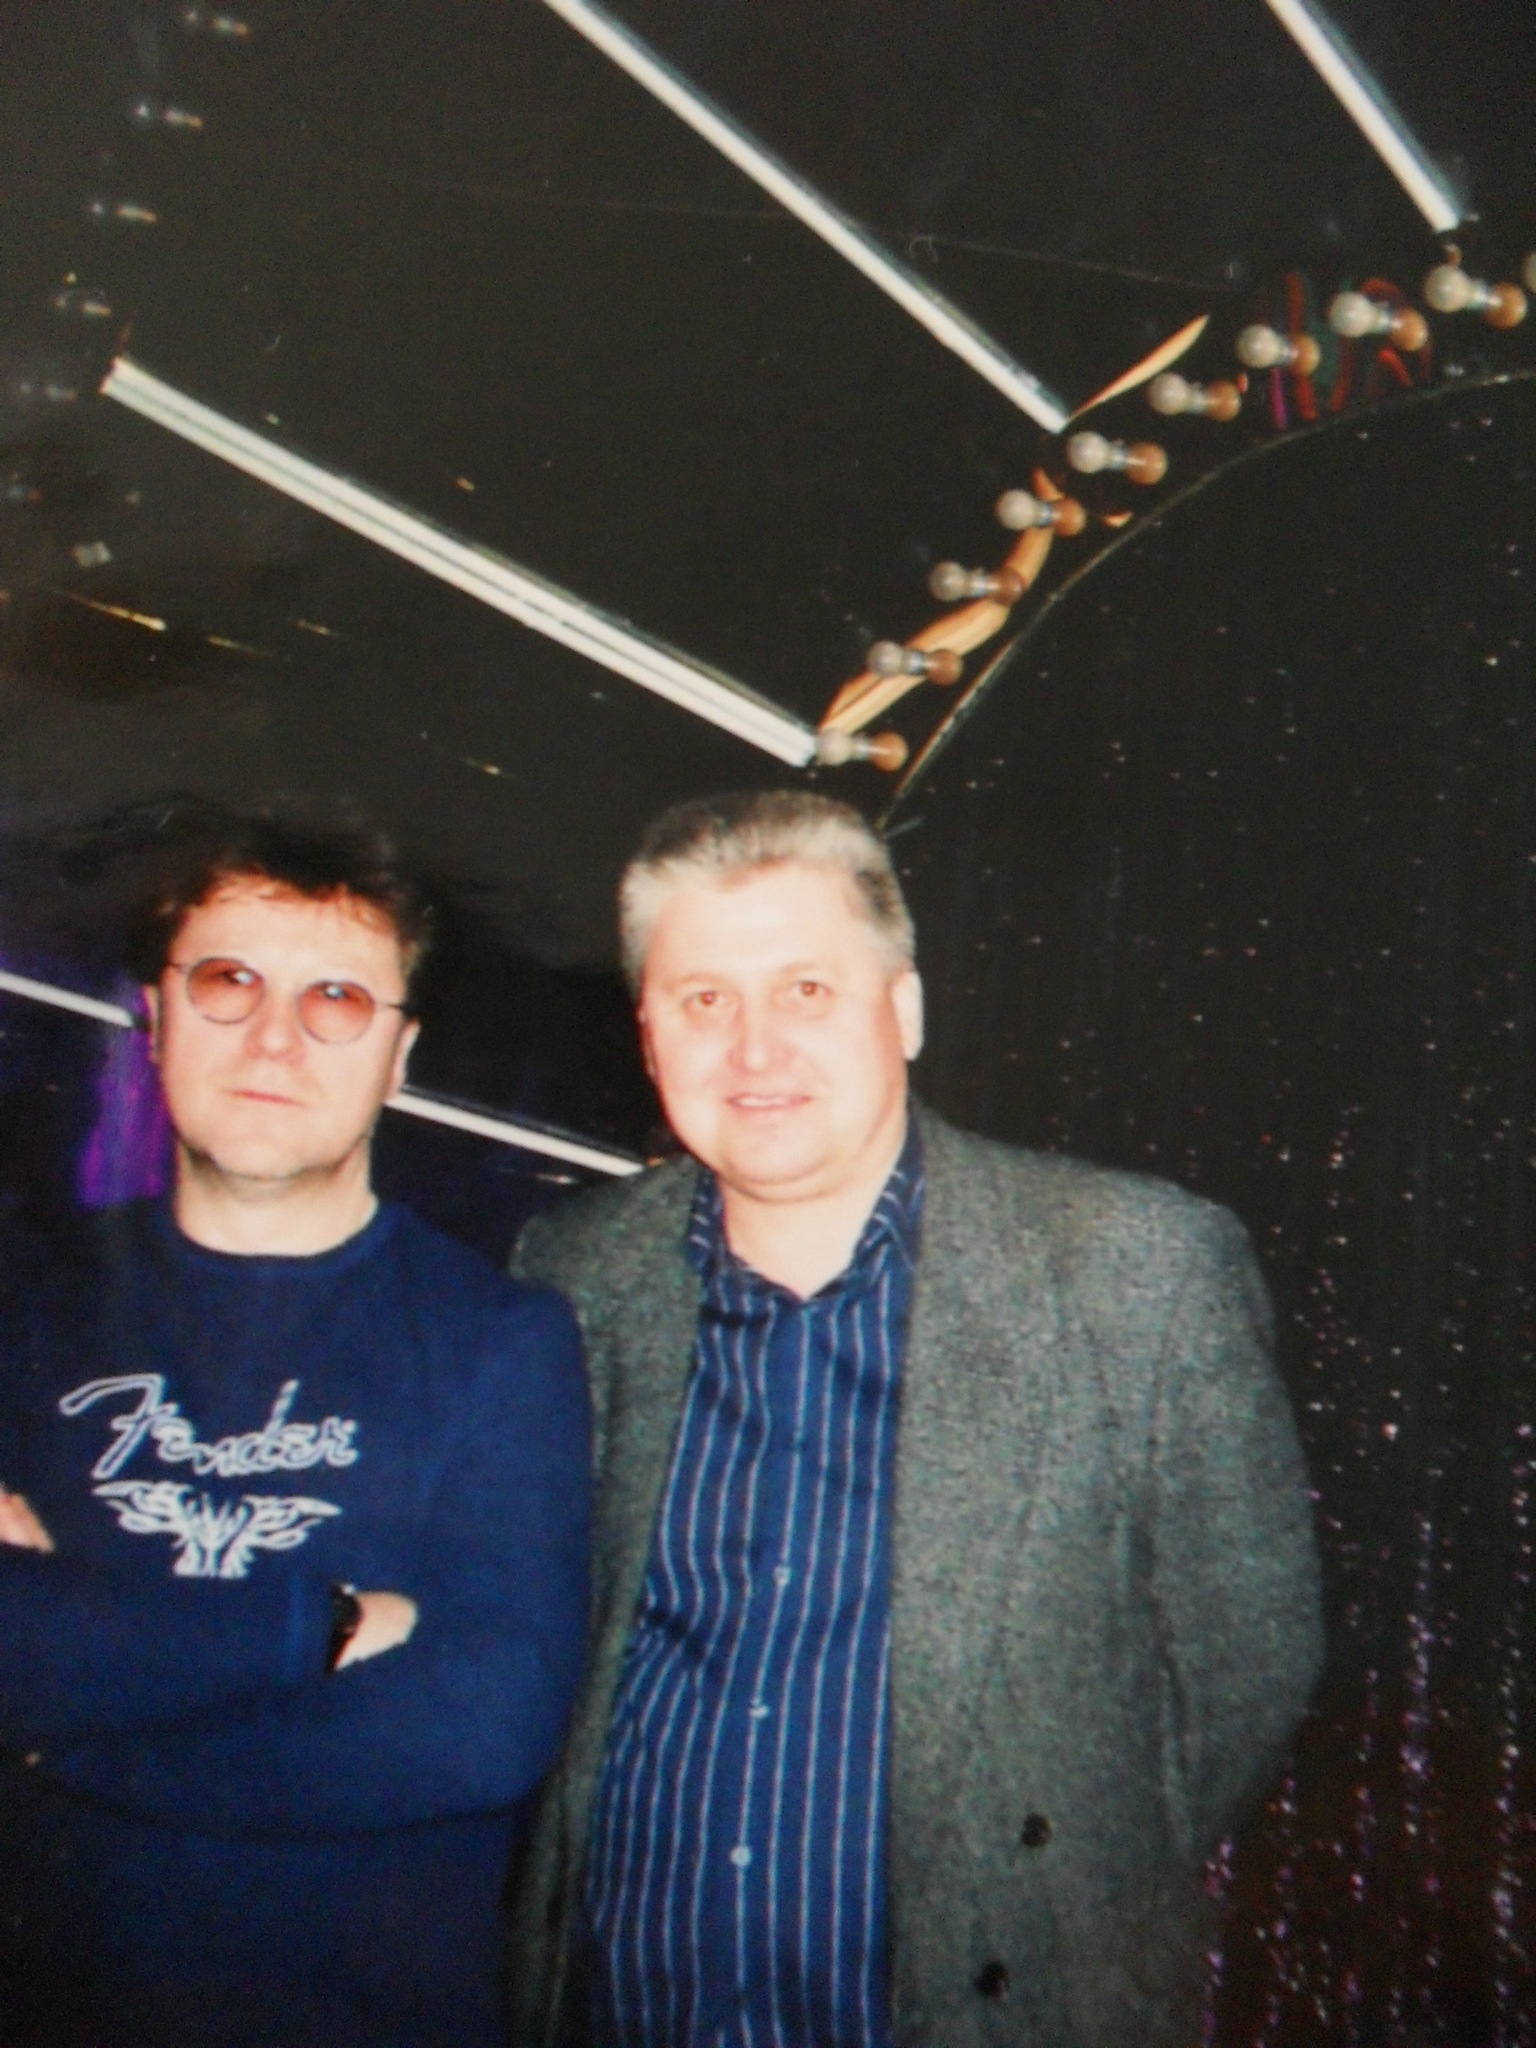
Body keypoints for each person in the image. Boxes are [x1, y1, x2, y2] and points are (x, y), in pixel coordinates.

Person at [507, 789, 1324, 2048]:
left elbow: (1250, 1658)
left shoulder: (1138, 1269)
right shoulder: (569, 1272)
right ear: (649, 1037)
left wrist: (1060, 1887)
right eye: (703, 998)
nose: (754, 1048)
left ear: (906, 1009)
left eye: (806, 989)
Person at [0, 809, 590, 2048]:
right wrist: (314, 1627)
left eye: (336, 998)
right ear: (153, 1015)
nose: (274, 1036)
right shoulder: (26, 1296)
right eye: (228, 980)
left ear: (400, 1055)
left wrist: (68, 1730)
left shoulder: (504, 1337)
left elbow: (481, 1725)